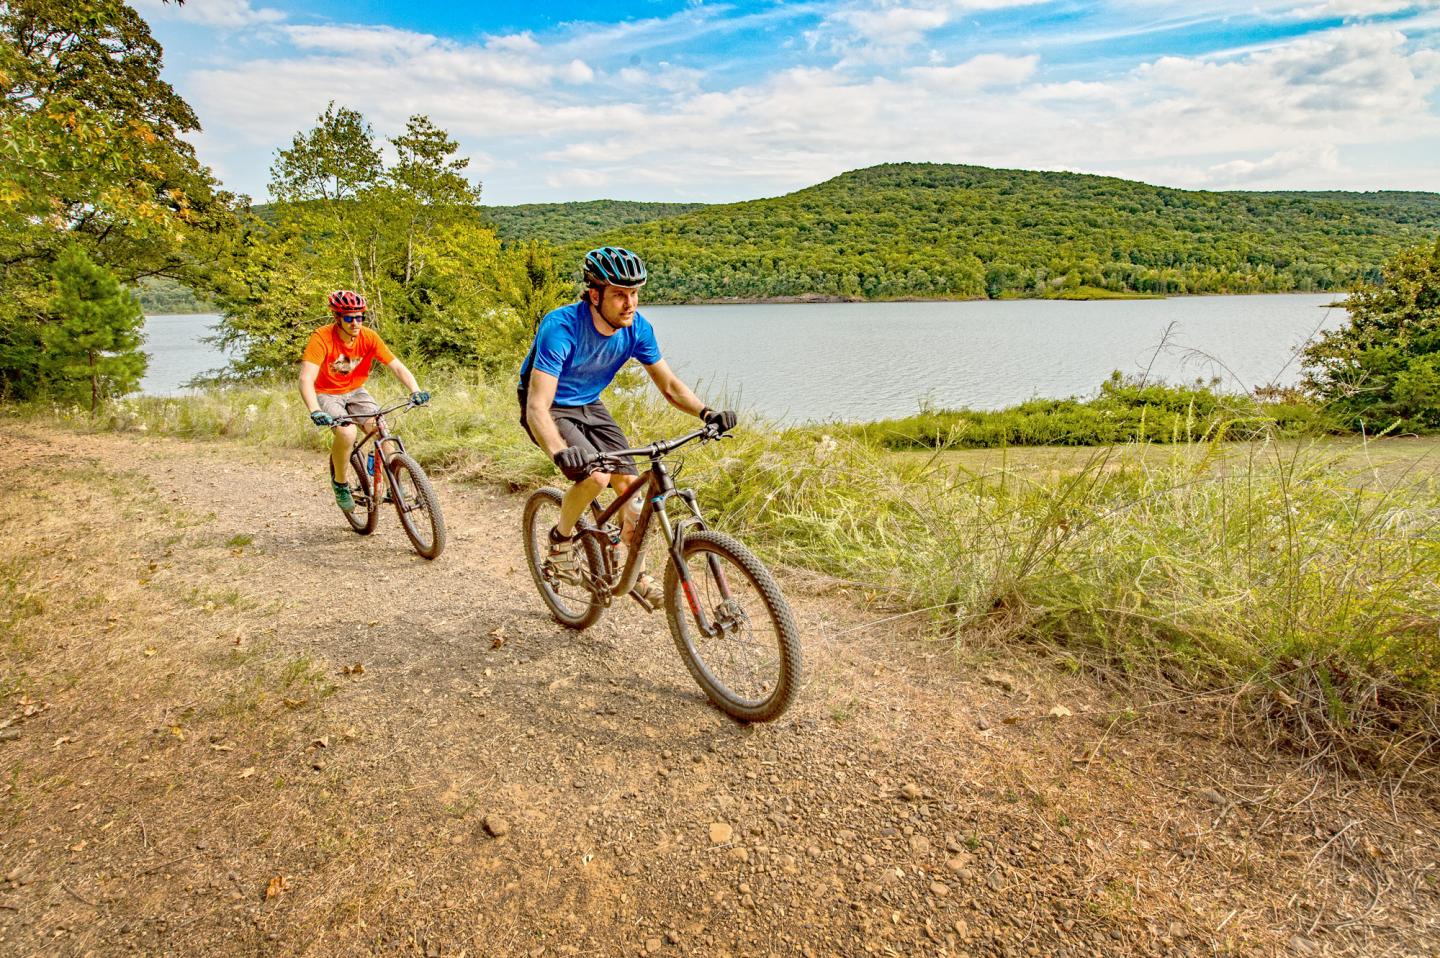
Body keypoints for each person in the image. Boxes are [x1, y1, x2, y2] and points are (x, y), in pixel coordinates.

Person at [518, 246, 736, 609]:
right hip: (550, 404)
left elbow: (669, 386)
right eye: (620, 294)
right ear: (594, 294)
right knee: (596, 476)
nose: (630, 303)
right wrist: (560, 451)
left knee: (632, 491)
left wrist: (706, 412)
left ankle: (632, 568)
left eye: (634, 293)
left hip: (589, 403)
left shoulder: (637, 328)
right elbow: (537, 406)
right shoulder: (561, 327)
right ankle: (560, 541)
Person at [299, 290, 429, 511]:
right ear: (337, 318)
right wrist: (314, 409)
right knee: (347, 432)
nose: (355, 323)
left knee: (381, 429)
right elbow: (305, 378)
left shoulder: (368, 337)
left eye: (360, 317)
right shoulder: (321, 338)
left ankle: (393, 485)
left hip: (356, 390)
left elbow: (396, 366)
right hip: (327, 392)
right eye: (349, 318)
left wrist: (415, 390)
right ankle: (340, 483)